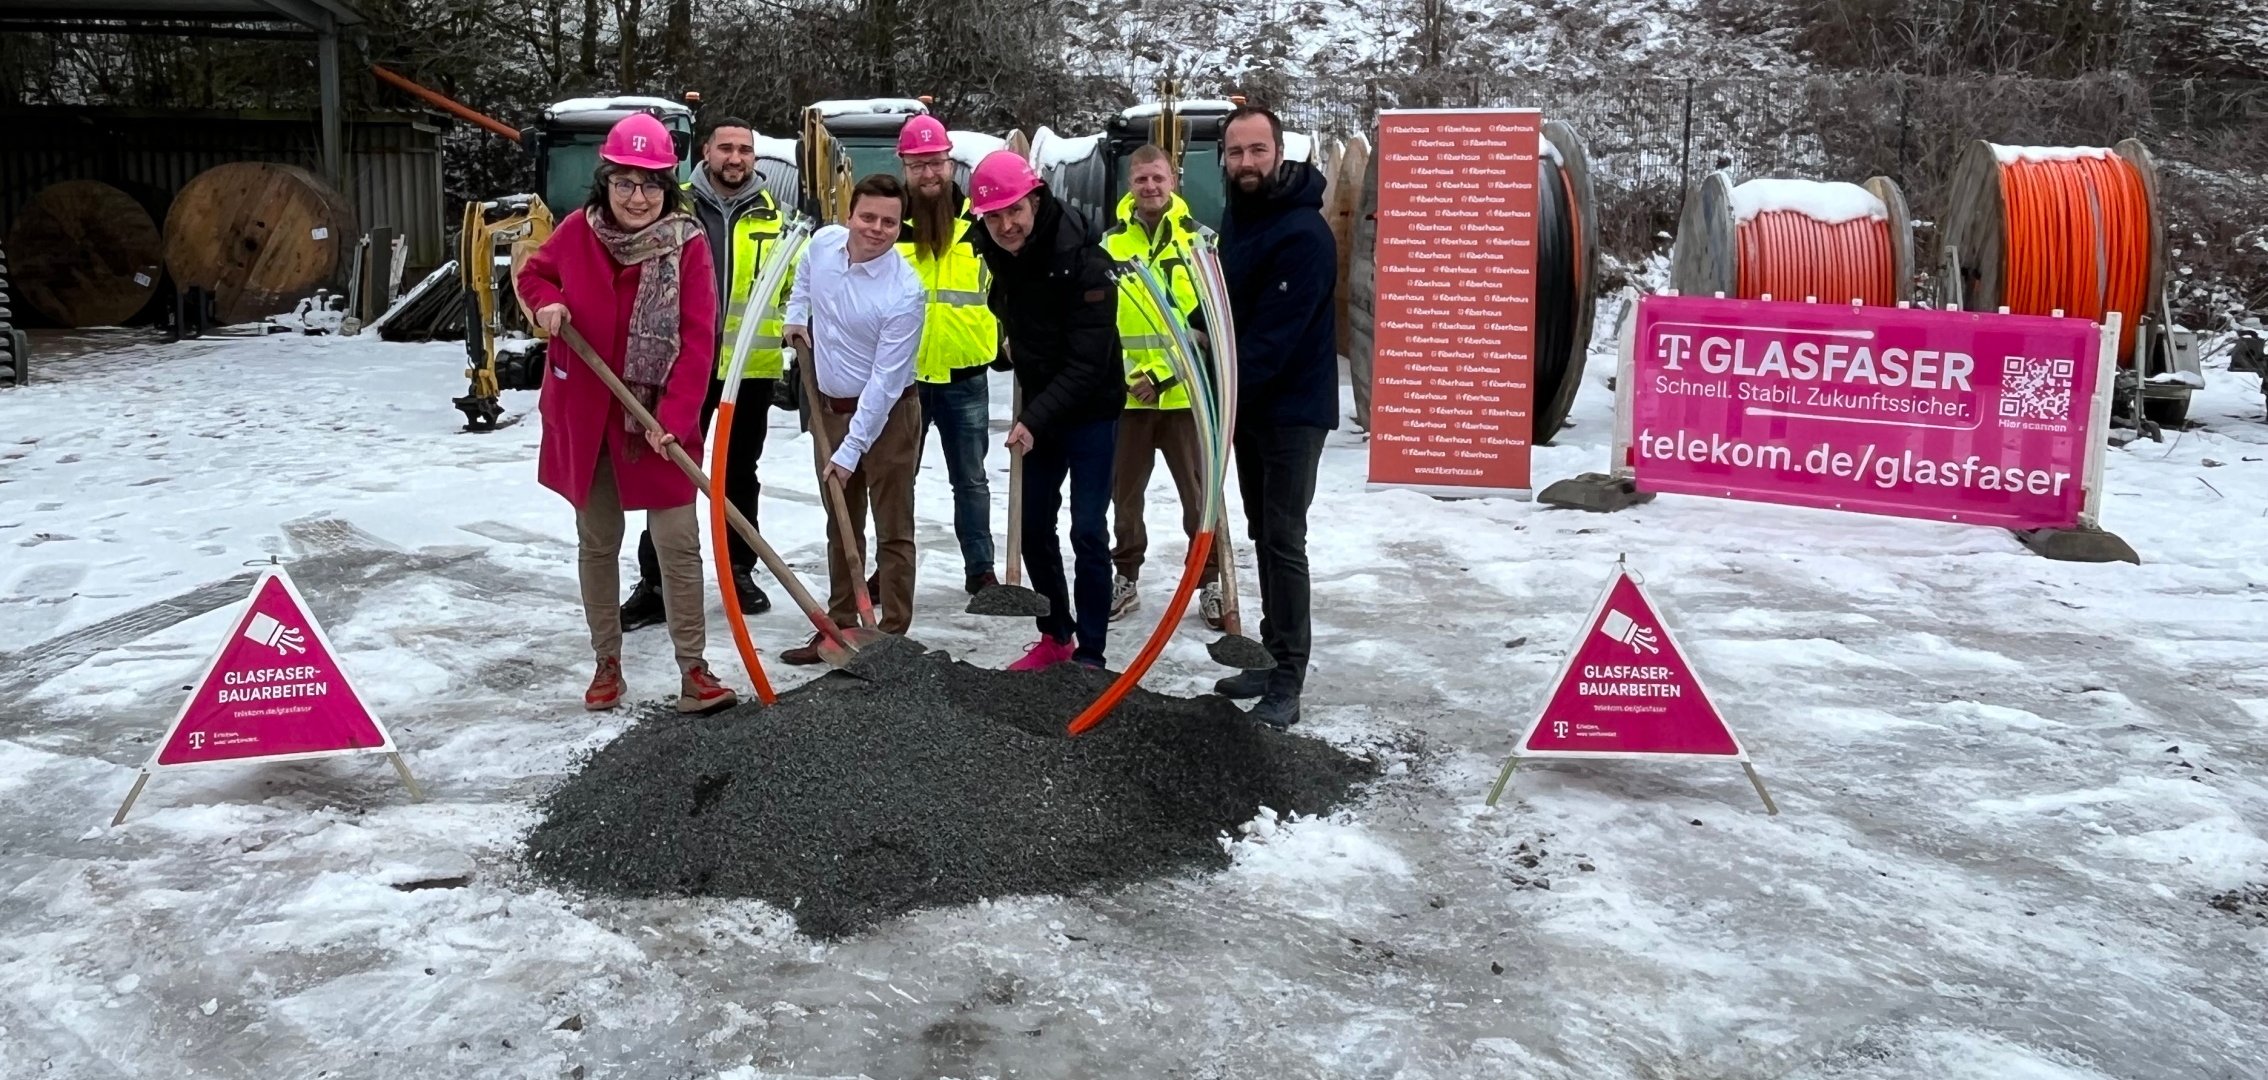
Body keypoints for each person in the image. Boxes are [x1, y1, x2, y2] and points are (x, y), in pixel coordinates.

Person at [519, 112, 738, 715]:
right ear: (606, 182)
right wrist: (547, 304)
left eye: (650, 184)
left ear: (668, 186)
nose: (637, 197)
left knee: (678, 543)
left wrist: (674, 418)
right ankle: (606, 662)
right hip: (588, 416)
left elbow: (698, 339)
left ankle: (694, 669)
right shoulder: (577, 231)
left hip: (659, 418)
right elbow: (533, 276)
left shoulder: (687, 245)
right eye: (624, 183)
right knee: (598, 541)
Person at [622, 116, 790, 630]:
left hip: (748, 369)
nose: (735, 158)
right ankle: (656, 583)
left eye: (745, 150)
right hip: (681, 365)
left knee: (739, 472)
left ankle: (739, 571)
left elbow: (793, 287)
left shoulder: (776, 218)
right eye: (726, 148)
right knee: (670, 467)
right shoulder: (673, 209)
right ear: (706, 153)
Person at [966, 150, 1124, 670]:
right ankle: (1056, 634)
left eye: (1014, 210)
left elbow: (1087, 364)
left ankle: (1092, 652)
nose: (1005, 225)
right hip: (1041, 406)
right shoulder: (999, 253)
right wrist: (1009, 348)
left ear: (1036, 200)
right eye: (993, 216)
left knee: (1087, 530)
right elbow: (1016, 314)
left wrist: (1032, 419)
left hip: (1091, 409)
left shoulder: (1087, 261)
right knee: (1032, 525)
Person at [1212, 105, 1337, 730]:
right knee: (1264, 533)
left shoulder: (1303, 234)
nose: (1246, 162)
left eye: (1257, 150)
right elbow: (1229, 304)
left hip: (1292, 411)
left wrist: (1217, 370)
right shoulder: (1241, 217)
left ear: (1280, 154)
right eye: (1236, 152)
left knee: (1285, 540)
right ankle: (1269, 656)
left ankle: (1288, 679)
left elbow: (1272, 340)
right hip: (1253, 407)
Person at [777, 174, 928, 666]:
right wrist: (796, 314)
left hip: (889, 417)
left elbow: (884, 383)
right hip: (830, 410)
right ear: (850, 215)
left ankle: (892, 638)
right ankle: (839, 627)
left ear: (900, 227)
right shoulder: (824, 245)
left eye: (889, 222)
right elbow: (804, 276)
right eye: (868, 217)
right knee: (841, 524)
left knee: (893, 527)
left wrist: (849, 450)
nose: (877, 229)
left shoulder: (905, 291)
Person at [1099, 144, 1222, 627]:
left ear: (1174, 180)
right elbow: (1100, 324)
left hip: (1185, 396)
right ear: (1129, 185)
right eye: (1141, 179)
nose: (1149, 187)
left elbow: (1209, 326)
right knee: (1125, 498)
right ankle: (1125, 577)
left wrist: (1164, 373)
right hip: (1128, 399)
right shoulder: (1109, 245)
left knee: (1199, 499)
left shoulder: (1200, 242)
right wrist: (1125, 378)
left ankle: (1210, 582)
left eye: (1158, 178)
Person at [896, 114, 1002, 597]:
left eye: (936, 162)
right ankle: (891, 568)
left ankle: (981, 569)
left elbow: (1007, 288)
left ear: (951, 164)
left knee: (971, 481)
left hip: (965, 374)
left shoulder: (980, 223)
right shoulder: (889, 224)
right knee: (898, 481)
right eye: (918, 165)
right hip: (904, 379)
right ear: (904, 167)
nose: (929, 174)